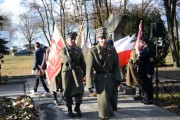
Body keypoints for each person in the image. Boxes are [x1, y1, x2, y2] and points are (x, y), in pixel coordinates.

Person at [86, 27, 122, 119]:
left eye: (104, 38)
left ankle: (106, 117)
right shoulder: (93, 51)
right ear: (98, 39)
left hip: (111, 78)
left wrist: (118, 78)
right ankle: (103, 117)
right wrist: (89, 85)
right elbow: (89, 69)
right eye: (101, 38)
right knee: (103, 103)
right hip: (100, 79)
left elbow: (116, 64)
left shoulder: (112, 49)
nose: (103, 40)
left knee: (110, 100)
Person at [60, 32, 86, 117]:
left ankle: (77, 107)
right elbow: (62, 56)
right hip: (67, 72)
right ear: (67, 39)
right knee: (67, 92)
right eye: (71, 39)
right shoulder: (64, 48)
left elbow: (82, 61)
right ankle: (69, 110)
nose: (73, 40)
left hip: (77, 72)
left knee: (80, 91)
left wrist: (85, 71)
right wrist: (68, 61)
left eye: (74, 39)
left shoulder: (78, 49)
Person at [137, 36, 155, 104]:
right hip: (143, 71)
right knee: (144, 85)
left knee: (148, 86)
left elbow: (151, 62)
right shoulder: (144, 49)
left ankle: (149, 99)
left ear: (144, 43)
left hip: (146, 71)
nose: (140, 44)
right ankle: (145, 98)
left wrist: (149, 72)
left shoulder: (149, 50)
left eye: (141, 43)